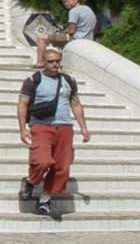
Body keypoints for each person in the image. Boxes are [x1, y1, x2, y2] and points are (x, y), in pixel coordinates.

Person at [17, 48, 90, 218]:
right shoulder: (33, 80)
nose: (55, 64)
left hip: (65, 127)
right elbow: (22, 104)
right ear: (43, 61)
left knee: (62, 167)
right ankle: (31, 181)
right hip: (41, 126)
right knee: (42, 161)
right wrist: (23, 128)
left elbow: (76, 104)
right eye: (51, 61)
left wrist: (84, 128)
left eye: (58, 61)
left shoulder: (68, 80)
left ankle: (44, 200)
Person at [36, 0, 97, 65]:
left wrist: (61, 33)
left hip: (76, 38)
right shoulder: (87, 8)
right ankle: (59, 60)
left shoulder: (73, 11)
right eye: (64, 2)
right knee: (57, 40)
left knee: (42, 38)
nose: (66, 4)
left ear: (76, 0)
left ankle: (40, 62)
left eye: (68, 1)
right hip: (88, 38)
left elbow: (71, 31)